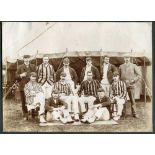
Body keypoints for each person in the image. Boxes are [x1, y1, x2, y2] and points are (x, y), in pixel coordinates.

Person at [16, 55, 36, 120]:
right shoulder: (20, 67)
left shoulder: (33, 66)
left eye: (28, 59)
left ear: (29, 59)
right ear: (23, 59)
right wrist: (21, 75)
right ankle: (25, 114)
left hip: (32, 86)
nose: (26, 60)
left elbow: (36, 75)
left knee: (33, 100)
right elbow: (16, 76)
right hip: (23, 86)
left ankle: (33, 114)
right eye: (25, 59)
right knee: (24, 101)